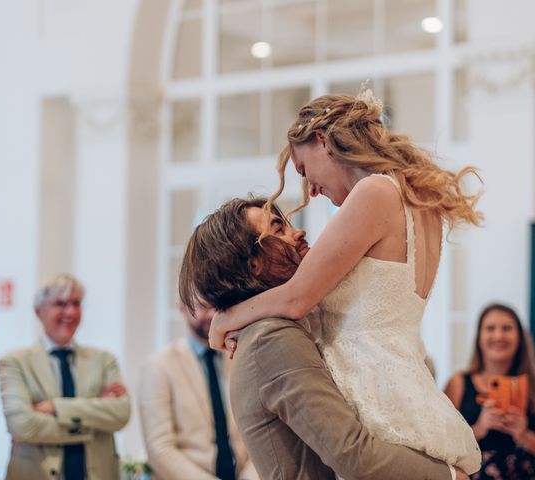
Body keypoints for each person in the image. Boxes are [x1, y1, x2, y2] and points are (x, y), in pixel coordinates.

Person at [208, 90, 483, 474]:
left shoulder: (374, 192)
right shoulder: (421, 204)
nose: (312, 190)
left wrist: (227, 318)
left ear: (323, 141)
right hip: (410, 390)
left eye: (305, 171)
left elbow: (295, 299)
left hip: (374, 396)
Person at [180, 196, 469, 480]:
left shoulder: (272, 329)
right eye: (279, 229)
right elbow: (354, 455)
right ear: (253, 265)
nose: (299, 232)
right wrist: (450, 477)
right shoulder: (272, 339)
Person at [0, 274, 130, 480]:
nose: (70, 312)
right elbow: (23, 426)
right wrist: (95, 415)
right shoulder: (15, 362)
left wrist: (55, 407)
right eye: (60, 304)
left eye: (76, 304)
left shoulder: (105, 360)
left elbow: (120, 414)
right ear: (38, 311)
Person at [138, 300, 258, 480]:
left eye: (217, 305)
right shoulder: (158, 366)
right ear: (182, 308)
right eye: (202, 306)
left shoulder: (242, 358)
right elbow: (159, 449)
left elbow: (261, 432)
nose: (211, 314)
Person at [445, 304, 535, 478]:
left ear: (519, 336)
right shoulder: (458, 383)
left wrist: (524, 436)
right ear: (479, 336)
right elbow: (443, 445)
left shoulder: (533, 385)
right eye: (490, 328)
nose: (498, 335)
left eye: (507, 328)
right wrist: (479, 428)